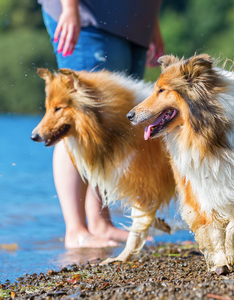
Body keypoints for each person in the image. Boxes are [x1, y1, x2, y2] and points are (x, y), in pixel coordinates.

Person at [38, 0, 165, 248]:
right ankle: (75, 230)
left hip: (135, 22)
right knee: (76, 118)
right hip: (89, 15)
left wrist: (152, 25)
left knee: (109, 123)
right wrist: (70, 7)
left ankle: (100, 224)